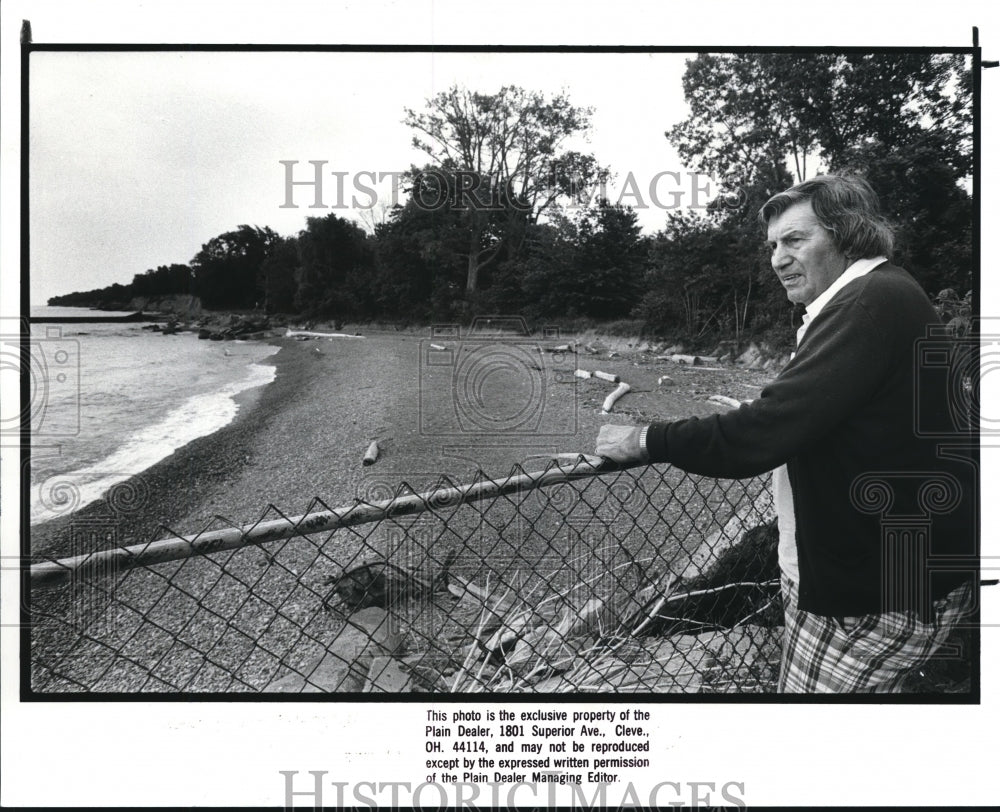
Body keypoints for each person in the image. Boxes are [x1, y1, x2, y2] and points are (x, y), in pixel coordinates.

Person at [596, 174, 975, 693]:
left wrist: (644, 440)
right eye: (773, 245)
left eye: (795, 240)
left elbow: (758, 436)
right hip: (901, 571)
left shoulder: (865, 304)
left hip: (872, 592)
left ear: (848, 236)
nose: (777, 258)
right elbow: (832, 411)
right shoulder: (888, 292)